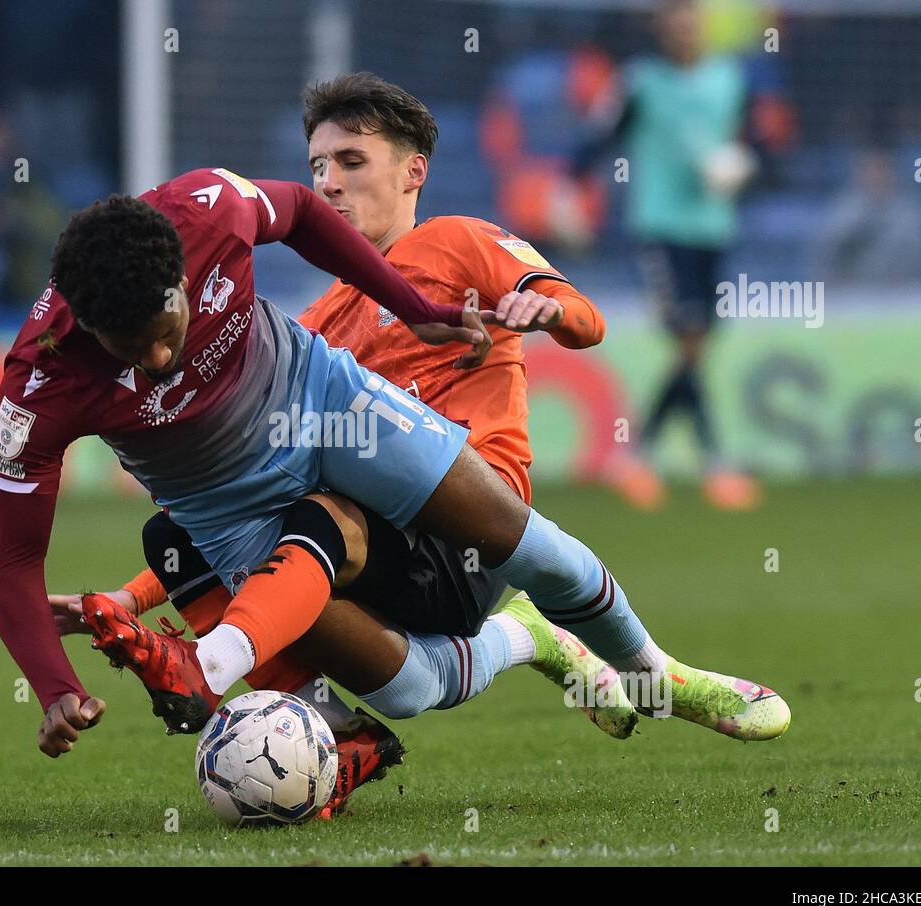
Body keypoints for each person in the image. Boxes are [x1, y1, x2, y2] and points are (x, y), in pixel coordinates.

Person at [52, 73, 636, 811]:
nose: (327, 182)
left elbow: (586, 319)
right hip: (376, 542)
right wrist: (129, 598)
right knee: (173, 534)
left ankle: (218, 666)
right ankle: (354, 719)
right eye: (317, 166)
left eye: (350, 162)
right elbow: (237, 505)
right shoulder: (317, 329)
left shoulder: (460, 241)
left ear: (412, 170)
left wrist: (547, 310)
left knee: (319, 525)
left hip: (473, 534)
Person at [578, 0, 777, 511]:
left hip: (713, 229)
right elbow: (599, 139)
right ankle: (713, 462)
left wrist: (741, 166)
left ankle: (636, 457)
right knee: (689, 337)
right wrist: (570, 186)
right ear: (661, 29)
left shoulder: (730, 80)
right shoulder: (640, 82)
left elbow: (765, 149)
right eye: (673, 23)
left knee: (696, 344)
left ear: (701, 28)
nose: (683, 32)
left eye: (690, 22)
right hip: (660, 229)